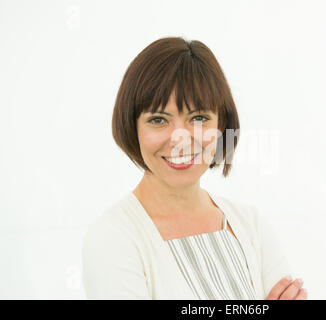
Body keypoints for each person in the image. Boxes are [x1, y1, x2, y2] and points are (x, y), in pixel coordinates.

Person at [81, 36, 307, 300]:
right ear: (133, 128)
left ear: (222, 126)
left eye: (199, 118)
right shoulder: (113, 238)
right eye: (158, 119)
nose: (180, 138)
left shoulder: (250, 225)